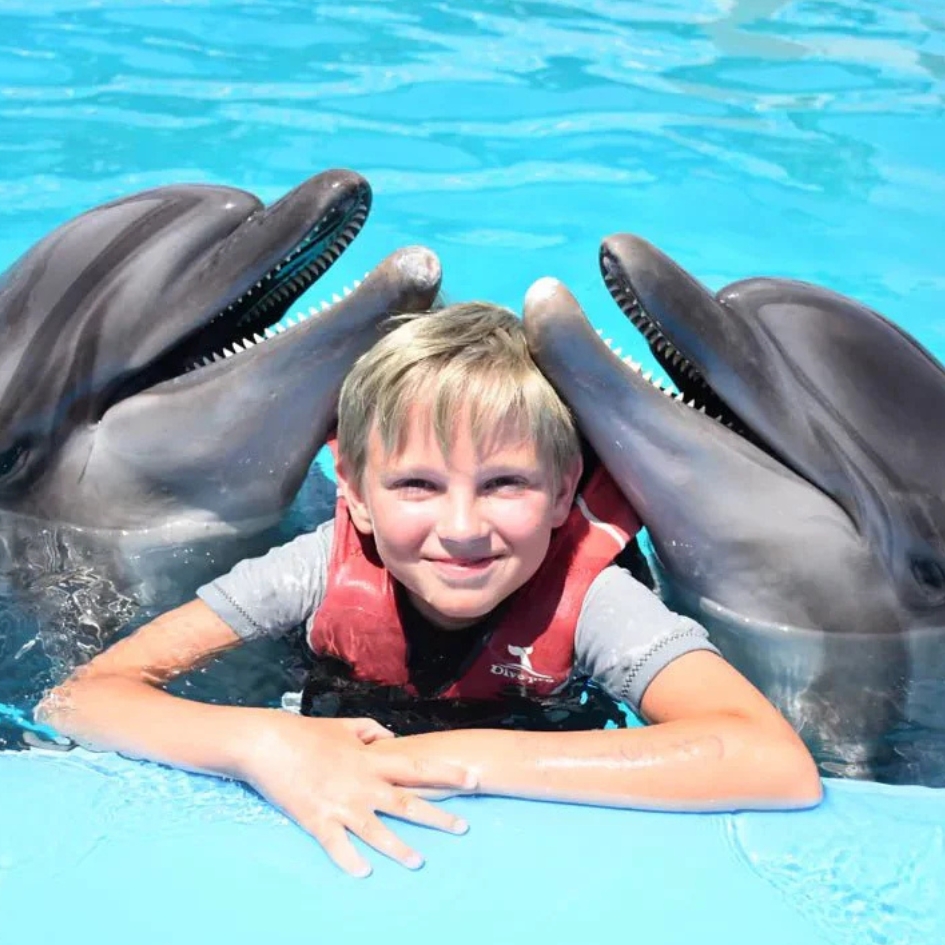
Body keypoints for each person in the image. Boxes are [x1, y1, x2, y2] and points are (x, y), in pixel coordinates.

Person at [39, 302, 822, 878]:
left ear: (561, 495)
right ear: (354, 491)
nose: (462, 527)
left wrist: (447, 761)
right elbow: (79, 699)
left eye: (504, 484)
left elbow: (770, 761)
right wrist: (262, 744)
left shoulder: (590, 600)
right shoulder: (312, 570)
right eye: (416, 484)